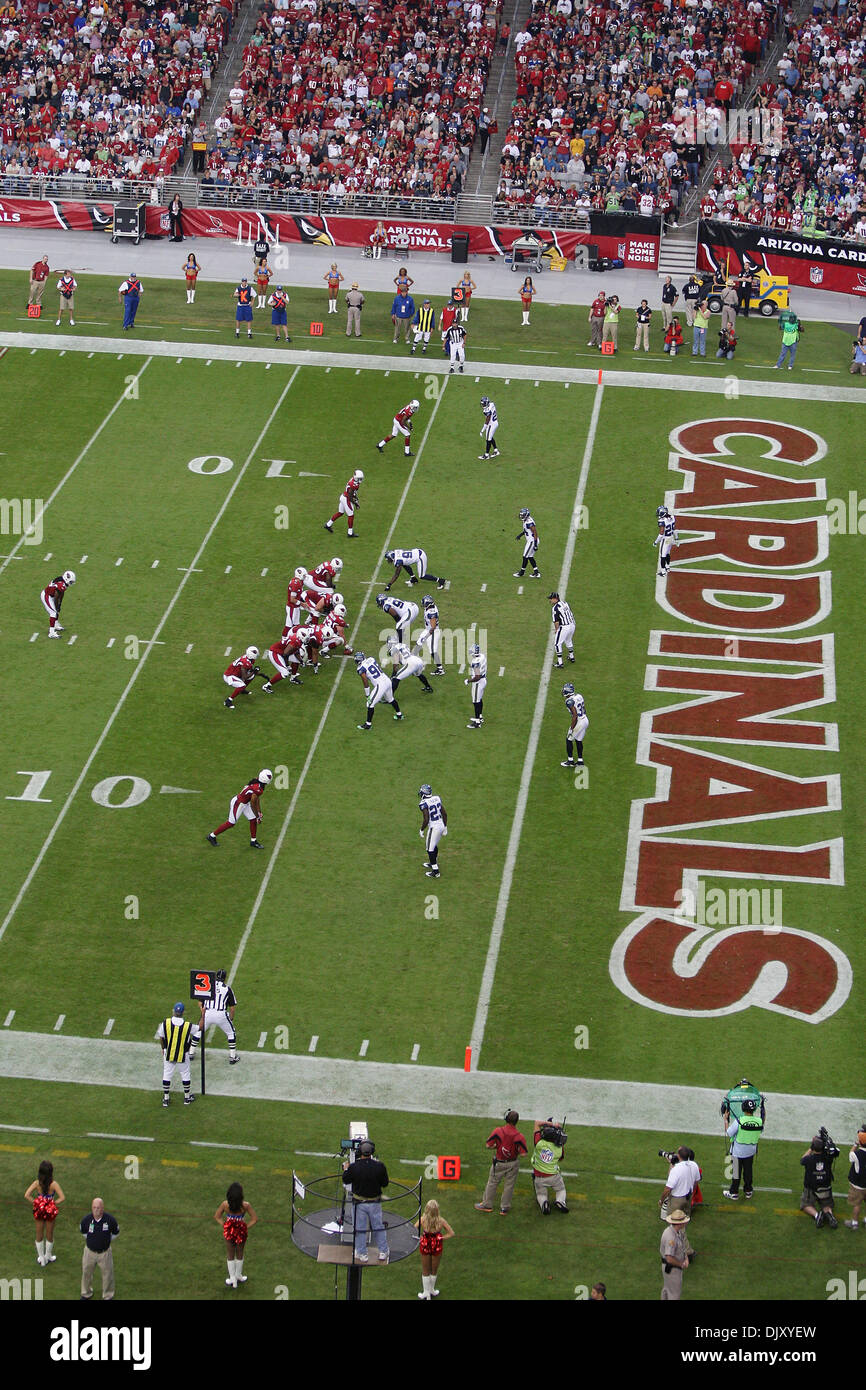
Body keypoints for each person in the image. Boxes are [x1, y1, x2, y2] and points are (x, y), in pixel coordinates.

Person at [341, 1139, 390, 1262]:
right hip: (375, 1203)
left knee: (360, 1229)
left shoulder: (354, 1167)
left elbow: (346, 1180)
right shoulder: (380, 1166)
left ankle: (362, 1253)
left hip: (359, 1203)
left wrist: (346, 1169)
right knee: (378, 1227)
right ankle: (383, 1251)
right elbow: (385, 1183)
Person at [474, 1110, 528, 1214]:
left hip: (499, 1162)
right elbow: (523, 1154)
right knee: (509, 1186)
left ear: (506, 1119)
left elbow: (488, 1145)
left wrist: (498, 1146)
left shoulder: (498, 1131)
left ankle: (487, 1204)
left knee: (492, 1183)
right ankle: (505, 1208)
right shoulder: (519, 1136)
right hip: (512, 1163)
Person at [207, 769, 273, 848]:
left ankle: (253, 841)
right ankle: (211, 836)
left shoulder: (257, 782)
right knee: (231, 823)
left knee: (253, 820)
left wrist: (259, 812)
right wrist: (257, 815)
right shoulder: (258, 789)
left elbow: (256, 799)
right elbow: (253, 803)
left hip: (245, 802)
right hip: (239, 803)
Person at [158, 1001, 202, 1106]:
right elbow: (200, 1027)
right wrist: (203, 1013)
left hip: (169, 1053)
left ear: (173, 1011)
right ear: (183, 1013)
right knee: (185, 1074)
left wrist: (163, 1048)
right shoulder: (187, 1025)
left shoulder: (166, 1022)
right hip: (183, 1054)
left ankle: (166, 1098)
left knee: (167, 1074)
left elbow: (161, 1036)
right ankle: (187, 1098)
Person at [214, 1182, 257, 1287]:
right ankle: (238, 1275)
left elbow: (217, 1216)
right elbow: (254, 1219)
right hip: (241, 1232)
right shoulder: (245, 1205)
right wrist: (245, 1227)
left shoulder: (225, 1205)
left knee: (230, 1254)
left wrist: (225, 1225)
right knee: (240, 1252)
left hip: (229, 1231)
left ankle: (232, 1278)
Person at [25, 1159, 65, 1266]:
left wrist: (37, 1202)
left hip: (40, 1209)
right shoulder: (54, 1184)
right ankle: (48, 1256)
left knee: (39, 1233)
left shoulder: (37, 1183)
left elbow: (27, 1195)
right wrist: (53, 1203)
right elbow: (62, 1197)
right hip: (50, 1211)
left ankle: (42, 1258)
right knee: (49, 1233)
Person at [723, 1099, 763, 1200]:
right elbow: (760, 1130)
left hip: (737, 1152)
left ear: (743, 1109)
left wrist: (725, 1120)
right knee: (748, 1172)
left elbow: (729, 1133)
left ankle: (734, 1193)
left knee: (736, 1173)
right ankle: (748, 1191)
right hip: (751, 1152)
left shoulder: (739, 1121)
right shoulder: (759, 1121)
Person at [80, 1197, 119, 1301]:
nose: (96, 1210)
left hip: (104, 1253)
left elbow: (115, 1233)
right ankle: (86, 1293)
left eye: (98, 1207)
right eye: (94, 1207)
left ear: (103, 1208)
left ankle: (108, 1295)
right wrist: (92, 1241)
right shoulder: (86, 1220)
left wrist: (105, 1241)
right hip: (89, 1252)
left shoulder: (110, 1220)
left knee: (108, 1275)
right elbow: (83, 1232)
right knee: (86, 1273)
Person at [354, 651, 403, 732]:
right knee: (390, 699)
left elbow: (365, 681)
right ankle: (399, 715)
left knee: (370, 704)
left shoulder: (360, 668)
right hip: (387, 680)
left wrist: (367, 694)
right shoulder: (371, 659)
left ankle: (368, 725)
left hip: (381, 685)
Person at [415, 1199, 454, 1299]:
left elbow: (413, 1229)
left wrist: (420, 1237)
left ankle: (426, 1293)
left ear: (427, 1209)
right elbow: (451, 1233)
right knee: (434, 1269)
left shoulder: (423, 1219)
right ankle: (431, 1290)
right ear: (437, 1210)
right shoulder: (441, 1221)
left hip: (425, 1244)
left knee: (425, 1270)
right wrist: (441, 1238)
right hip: (437, 1245)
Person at [202, 969, 240, 1064]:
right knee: (231, 1033)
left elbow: (200, 1001)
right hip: (220, 1014)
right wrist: (231, 1018)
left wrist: (203, 1014)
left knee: (199, 1031)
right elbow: (232, 1008)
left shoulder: (209, 986)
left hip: (208, 1012)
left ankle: (190, 1052)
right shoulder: (227, 989)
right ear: (225, 978)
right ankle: (232, 1057)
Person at [800, 1134, 839, 1228]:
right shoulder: (828, 1158)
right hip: (825, 1186)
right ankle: (830, 1215)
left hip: (811, 1188)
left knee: (805, 1205)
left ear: (813, 1147)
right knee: (826, 1205)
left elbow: (802, 1160)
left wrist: (811, 1147)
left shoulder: (808, 1159)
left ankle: (817, 1215)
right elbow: (835, 1152)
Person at [531, 1118, 568, 1214]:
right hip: (553, 1176)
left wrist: (550, 1124)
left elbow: (537, 1123)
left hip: (539, 1176)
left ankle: (544, 1203)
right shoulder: (559, 1149)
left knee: (541, 1195)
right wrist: (557, 1128)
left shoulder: (538, 1143)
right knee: (561, 1190)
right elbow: (561, 1159)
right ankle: (560, 1201)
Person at [418, 782, 447, 878]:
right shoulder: (437, 798)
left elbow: (426, 819)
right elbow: (444, 813)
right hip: (441, 825)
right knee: (433, 845)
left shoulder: (423, 803)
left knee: (429, 849)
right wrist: (445, 827)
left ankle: (436, 871)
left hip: (434, 827)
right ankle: (433, 862)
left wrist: (422, 829)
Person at [660, 1209, 690, 1300]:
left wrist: (686, 1258)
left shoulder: (677, 1231)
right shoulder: (671, 1237)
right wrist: (681, 1264)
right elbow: (669, 1258)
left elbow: (682, 1247)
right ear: (680, 1223)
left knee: (667, 1290)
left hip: (671, 1268)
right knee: (674, 1294)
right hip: (673, 1269)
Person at [325, 470, 363, 537]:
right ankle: (350, 533)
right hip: (347, 499)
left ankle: (328, 525)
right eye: (359, 478)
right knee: (351, 515)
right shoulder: (354, 485)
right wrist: (356, 503)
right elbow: (350, 496)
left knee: (340, 512)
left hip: (343, 496)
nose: (361, 480)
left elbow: (353, 493)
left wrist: (356, 498)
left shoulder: (352, 480)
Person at [414, 593, 444, 676]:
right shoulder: (431, 608)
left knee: (433, 651)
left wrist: (426, 636)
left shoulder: (431, 613)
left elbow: (433, 627)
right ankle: (412, 662)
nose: (423, 605)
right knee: (419, 643)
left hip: (433, 632)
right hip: (428, 629)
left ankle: (440, 669)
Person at [560, 682, 588, 769]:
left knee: (569, 739)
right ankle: (580, 761)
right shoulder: (579, 696)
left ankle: (570, 761)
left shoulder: (569, 701)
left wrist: (572, 727)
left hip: (578, 722)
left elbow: (575, 715)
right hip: (585, 719)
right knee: (578, 740)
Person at [41, 570, 76, 637]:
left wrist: (60, 603)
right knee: (53, 612)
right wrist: (57, 606)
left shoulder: (63, 582)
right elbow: (56, 597)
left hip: (51, 595)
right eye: (71, 581)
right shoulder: (61, 584)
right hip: (47, 596)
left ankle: (56, 625)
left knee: (56, 610)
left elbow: (61, 593)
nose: (71, 583)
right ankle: (51, 633)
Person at [845, 1126, 866, 1228]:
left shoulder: (856, 1154)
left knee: (857, 1204)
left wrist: (855, 1144)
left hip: (858, 1185)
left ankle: (854, 1223)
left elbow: (850, 1155)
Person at [464, 643, 487, 729]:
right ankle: (480, 716)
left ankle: (477, 722)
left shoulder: (475, 662)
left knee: (476, 701)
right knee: (479, 699)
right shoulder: (482, 656)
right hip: (483, 680)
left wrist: (469, 681)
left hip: (478, 683)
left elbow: (477, 677)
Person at [513, 507, 540, 579]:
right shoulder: (526, 520)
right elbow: (526, 530)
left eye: (523, 515)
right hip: (531, 540)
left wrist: (535, 544)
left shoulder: (529, 522)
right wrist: (520, 535)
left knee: (525, 556)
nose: (521, 516)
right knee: (530, 556)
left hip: (532, 541)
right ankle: (536, 572)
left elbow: (535, 532)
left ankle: (522, 572)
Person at [549, 592, 575, 667]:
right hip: (572, 625)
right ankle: (571, 657)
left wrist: (557, 630)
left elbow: (556, 622)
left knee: (557, 644)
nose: (550, 600)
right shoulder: (565, 603)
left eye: (551, 599)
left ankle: (560, 663)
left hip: (564, 627)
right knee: (568, 640)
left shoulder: (555, 608)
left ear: (555, 599)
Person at [654, 504, 678, 578]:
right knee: (667, 553)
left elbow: (661, 534)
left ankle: (663, 572)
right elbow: (674, 529)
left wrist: (656, 542)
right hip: (670, 538)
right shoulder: (672, 517)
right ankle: (667, 567)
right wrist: (676, 538)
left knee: (663, 556)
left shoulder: (662, 521)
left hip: (665, 539)